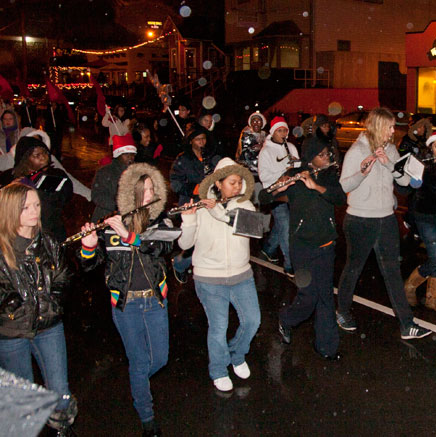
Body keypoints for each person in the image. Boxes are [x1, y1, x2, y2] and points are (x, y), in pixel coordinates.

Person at [77, 163, 173, 436]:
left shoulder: (161, 221)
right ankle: (147, 418)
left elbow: (161, 247)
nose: (149, 195)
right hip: (126, 305)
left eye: (153, 189)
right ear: (130, 194)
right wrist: (88, 247)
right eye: (144, 191)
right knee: (140, 362)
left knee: (160, 359)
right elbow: (88, 266)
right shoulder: (111, 224)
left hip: (155, 301)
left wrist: (130, 237)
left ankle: (137, 381)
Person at [336, 107, 431, 340]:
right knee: (353, 269)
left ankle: (407, 324)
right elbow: (344, 187)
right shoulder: (357, 150)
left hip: (386, 218)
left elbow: (406, 180)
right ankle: (342, 311)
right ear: (378, 126)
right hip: (360, 219)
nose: (392, 131)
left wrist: (389, 164)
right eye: (389, 127)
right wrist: (362, 172)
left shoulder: (391, 149)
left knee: (391, 272)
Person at [177, 158, 261, 392]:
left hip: (241, 275)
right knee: (219, 326)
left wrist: (220, 213)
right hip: (209, 279)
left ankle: (237, 353)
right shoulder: (203, 208)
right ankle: (218, 369)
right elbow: (185, 243)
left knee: (253, 320)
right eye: (232, 182)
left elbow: (254, 231)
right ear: (218, 183)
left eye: (239, 182)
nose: (237, 186)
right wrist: (189, 218)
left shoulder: (245, 207)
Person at [0, 183, 77, 432]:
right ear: (11, 211)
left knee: (61, 394)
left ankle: (61, 428)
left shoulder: (47, 242)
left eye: (36, 205)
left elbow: (63, 276)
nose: (34, 212)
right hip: (13, 332)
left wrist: (51, 300)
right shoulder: (3, 248)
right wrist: (13, 304)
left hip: (49, 326)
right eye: (25, 208)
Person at [263, 136, 345, 360]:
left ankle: (327, 348)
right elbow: (262, 197)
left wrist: (316, 186)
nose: (327, 157)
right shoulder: (293, 175)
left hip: (326, 245)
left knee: (326, 296)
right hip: (302, 247)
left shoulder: (329, 176)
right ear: (310, 159)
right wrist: (282, 185)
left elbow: (339, 199)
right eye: (321, 154)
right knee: (309, 296)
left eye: (327, 153)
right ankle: (286, 319)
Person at [403, 131, 436, 313]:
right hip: (424, 216)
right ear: (431, 148)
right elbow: (408, 187)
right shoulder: (422, 163)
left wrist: (423, 172)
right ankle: (409, 287)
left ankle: (431, 299)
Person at [169, 128, 220, 281]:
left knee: (209, 238)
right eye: (198, 140)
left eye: (203, 139)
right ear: (191, 141)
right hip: (191, 204)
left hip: (209, 204)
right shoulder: (183, 159)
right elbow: (175, 184)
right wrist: (195, 188)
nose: (201, 143)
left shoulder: (210, 157)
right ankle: (180, 264)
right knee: (194, 241)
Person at [1, 136, 73, 242]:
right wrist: (10, 189)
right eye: (37, 155)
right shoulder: (8, 177)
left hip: (47, 234)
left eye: (44, 153)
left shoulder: (56, 175)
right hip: (15, 234)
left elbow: (64, 196)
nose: (43, 157)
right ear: (24, 158)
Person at [257, 116, 300, 276]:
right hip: (275, 194)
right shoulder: (265, 151)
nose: (283, 133)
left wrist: (296, 166)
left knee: (282, 225)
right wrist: (282, 174)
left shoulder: (291, 147)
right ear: (273, 132)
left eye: (285, 130)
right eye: (279, 130)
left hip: (291, 192)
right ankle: (289, 264)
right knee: (286, 225)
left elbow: (296, 168)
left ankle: (268, 248)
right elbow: (264, 176)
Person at [91, 133, 137, 221]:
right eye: (126, 154)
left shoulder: (137, 171)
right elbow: (97, 195)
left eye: (132, 154)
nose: (130, 158)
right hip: (107, 216)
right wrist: (117, 205)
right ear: (118, 155)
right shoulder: (105, 172)